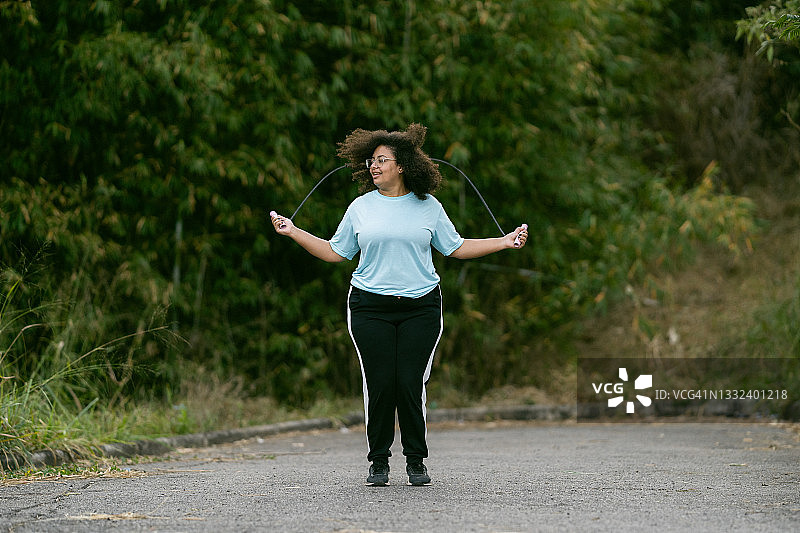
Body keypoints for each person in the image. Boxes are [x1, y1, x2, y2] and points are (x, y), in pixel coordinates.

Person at [270, 123, 527, 486]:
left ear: (402, 165)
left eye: (381, 160)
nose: (373, 166)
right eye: (370, 161)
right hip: (368, 306)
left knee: (409, 382)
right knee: (380, 383)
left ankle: (416, 460)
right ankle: (378, 461)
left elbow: (454, 247)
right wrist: (293, 230)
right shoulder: (361, 207)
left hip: (421, 307)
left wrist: (503, 242)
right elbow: (333, 251)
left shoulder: (428, 207)